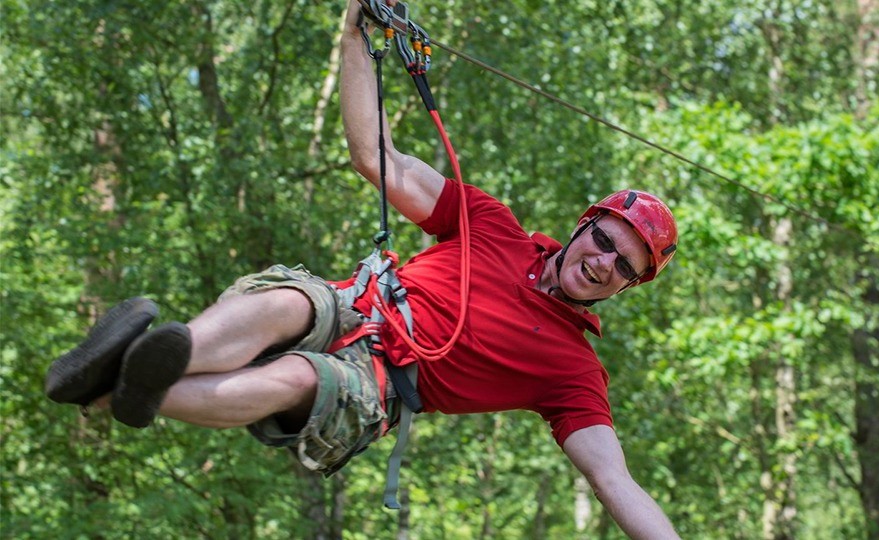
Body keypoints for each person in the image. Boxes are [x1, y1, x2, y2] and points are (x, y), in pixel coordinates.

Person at [44, 1, 681, 538]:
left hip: (378, 382)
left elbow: (610, 477)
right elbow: (376, 156)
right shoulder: (492, 225)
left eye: (623, 266)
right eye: (604, 240)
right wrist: (356, 31)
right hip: (361, 302)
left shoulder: (571, 371)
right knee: (287, 305)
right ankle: (139, 366)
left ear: (628, 285)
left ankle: (106, 385)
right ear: (583, 226)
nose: (604, 262)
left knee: (296, 377)